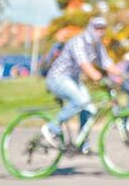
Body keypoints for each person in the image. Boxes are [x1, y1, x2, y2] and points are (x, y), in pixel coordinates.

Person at [42, 17, 123, 150]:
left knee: (90, 109)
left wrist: (123, 75)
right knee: (80, 102)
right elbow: (84, 64)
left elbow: (106, 63)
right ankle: (51, 127)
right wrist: (99, 77)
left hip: (72, 80)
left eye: (102, 28)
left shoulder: (97, 45)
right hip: (58, 78)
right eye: (97, 28)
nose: (100, 31)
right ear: (90, 27)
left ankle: (81, 143)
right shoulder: (78, 41)